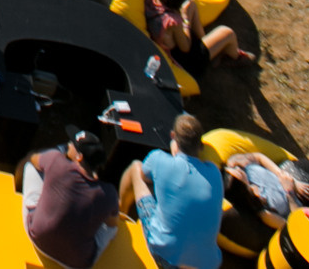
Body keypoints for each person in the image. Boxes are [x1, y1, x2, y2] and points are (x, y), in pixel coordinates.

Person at [119, 115, 224, 269]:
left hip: (165, 258)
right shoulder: (214, 172)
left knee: (136, 168)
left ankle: (120, 211)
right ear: (201, 146)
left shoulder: (159, 159)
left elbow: (144, 176)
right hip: (207, 265)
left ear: (173, 137)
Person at [23, 131, 121, 269]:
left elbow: (33, 158)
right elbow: (112, 224)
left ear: (79, 156)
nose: (69, 144)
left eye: (73, 144)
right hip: (77, 263)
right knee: (111, 229)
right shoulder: (110, 193)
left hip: (38, 239)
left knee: (30, 167)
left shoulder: (55, 160)